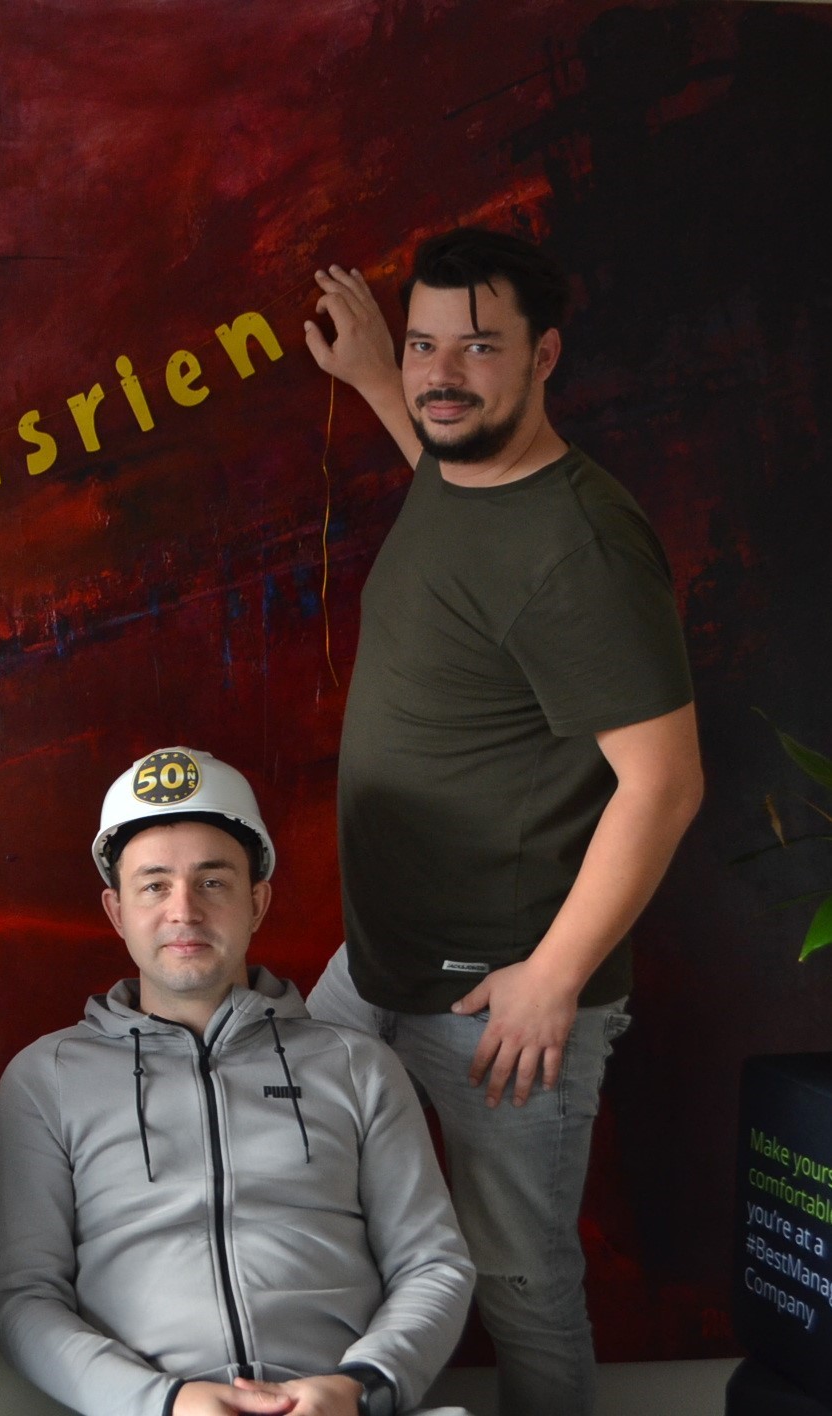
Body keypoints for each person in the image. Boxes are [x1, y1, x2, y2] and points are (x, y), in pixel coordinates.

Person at [302, 229, 704, 1415]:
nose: (441, 375)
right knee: (290, 1192)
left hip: (500, 996)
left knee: (520, 1282)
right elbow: (448, 475)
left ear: (543, 357)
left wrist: (552, 979)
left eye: (477, 349)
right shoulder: (461, 465)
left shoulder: (578, 549)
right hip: (378, 959)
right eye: (424, 344)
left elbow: (664, 784)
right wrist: (375, 377)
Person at [0, 747, 476, 1416]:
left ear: (257, 901)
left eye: (213, 882)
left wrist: (357, 1386)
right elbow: (25, 1296)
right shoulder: (46, 1078)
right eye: (154, 885)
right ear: (116, 910)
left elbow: (433, 1263)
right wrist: (166, 1403)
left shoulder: (357, 1065)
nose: (184, 910)